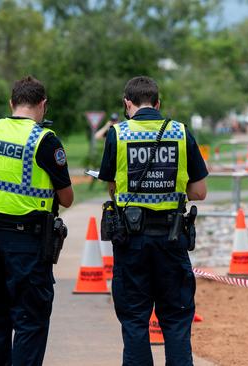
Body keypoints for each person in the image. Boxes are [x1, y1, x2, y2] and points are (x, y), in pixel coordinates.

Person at [98, 76, 208, 366]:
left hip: (131, 241)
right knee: (175, 319)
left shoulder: (117, 134)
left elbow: (112, 185)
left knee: (134, 320)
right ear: (158, 103)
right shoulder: (181, 133)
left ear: (127, 104)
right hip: (172, 240)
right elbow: (199, 191)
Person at [0, 76, 74, 365]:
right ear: (42, 105)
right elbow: (66, 199)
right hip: (28, 245)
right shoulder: (44, 140)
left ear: (11, 103)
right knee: (30, 322)